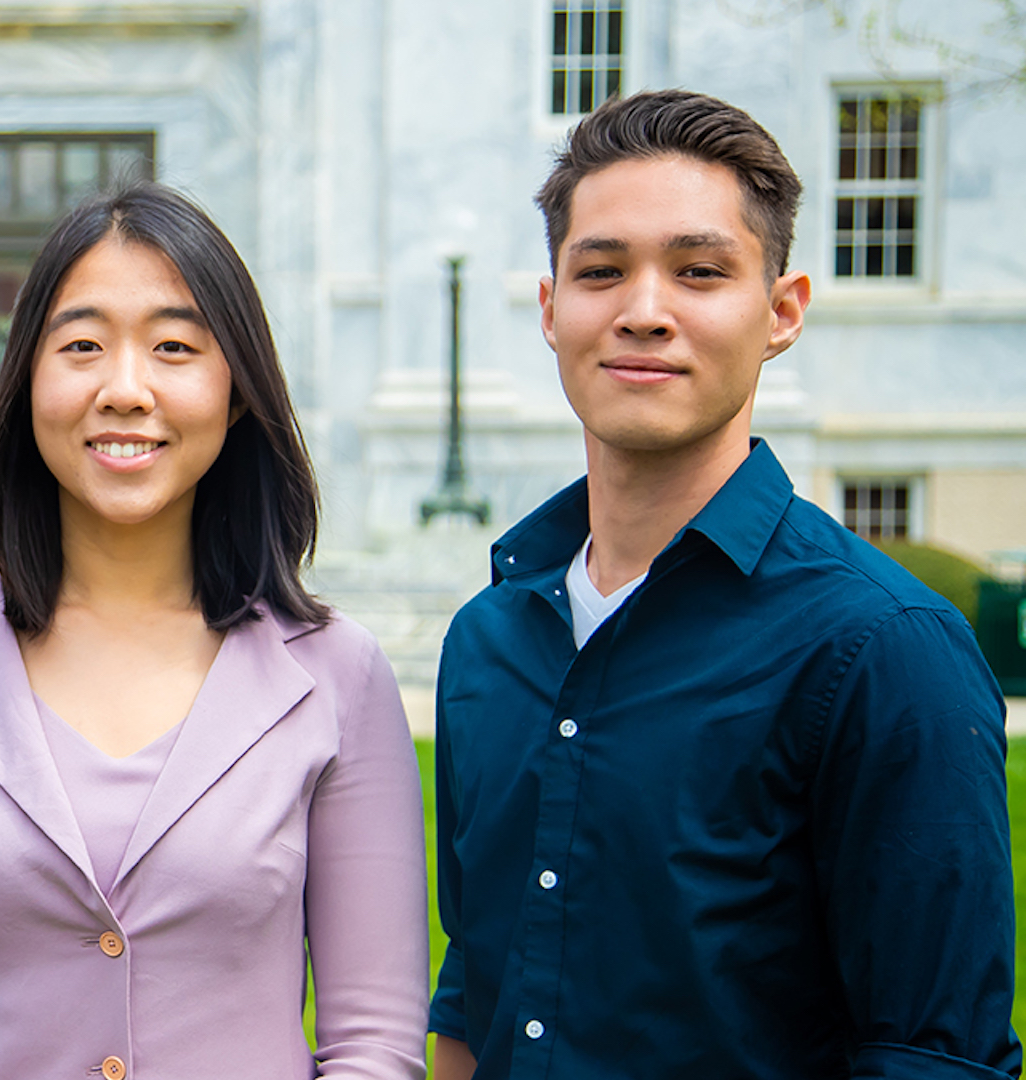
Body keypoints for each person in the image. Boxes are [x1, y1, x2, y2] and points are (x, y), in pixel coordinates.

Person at [427, 88, 1018, 1080]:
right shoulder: (488, 639)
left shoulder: (886, 650)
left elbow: (934, 1057)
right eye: (601, 271)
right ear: (551, 308)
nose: (643, 312)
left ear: (781, 312)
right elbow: (480, 988)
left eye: (700, 272)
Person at [0, 182, 429, 1079]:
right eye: (81, 347)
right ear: (27, 380)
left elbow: (372, 1041)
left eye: (175, 348)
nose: (126, 389)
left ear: (236, 394)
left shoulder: (340, 674)